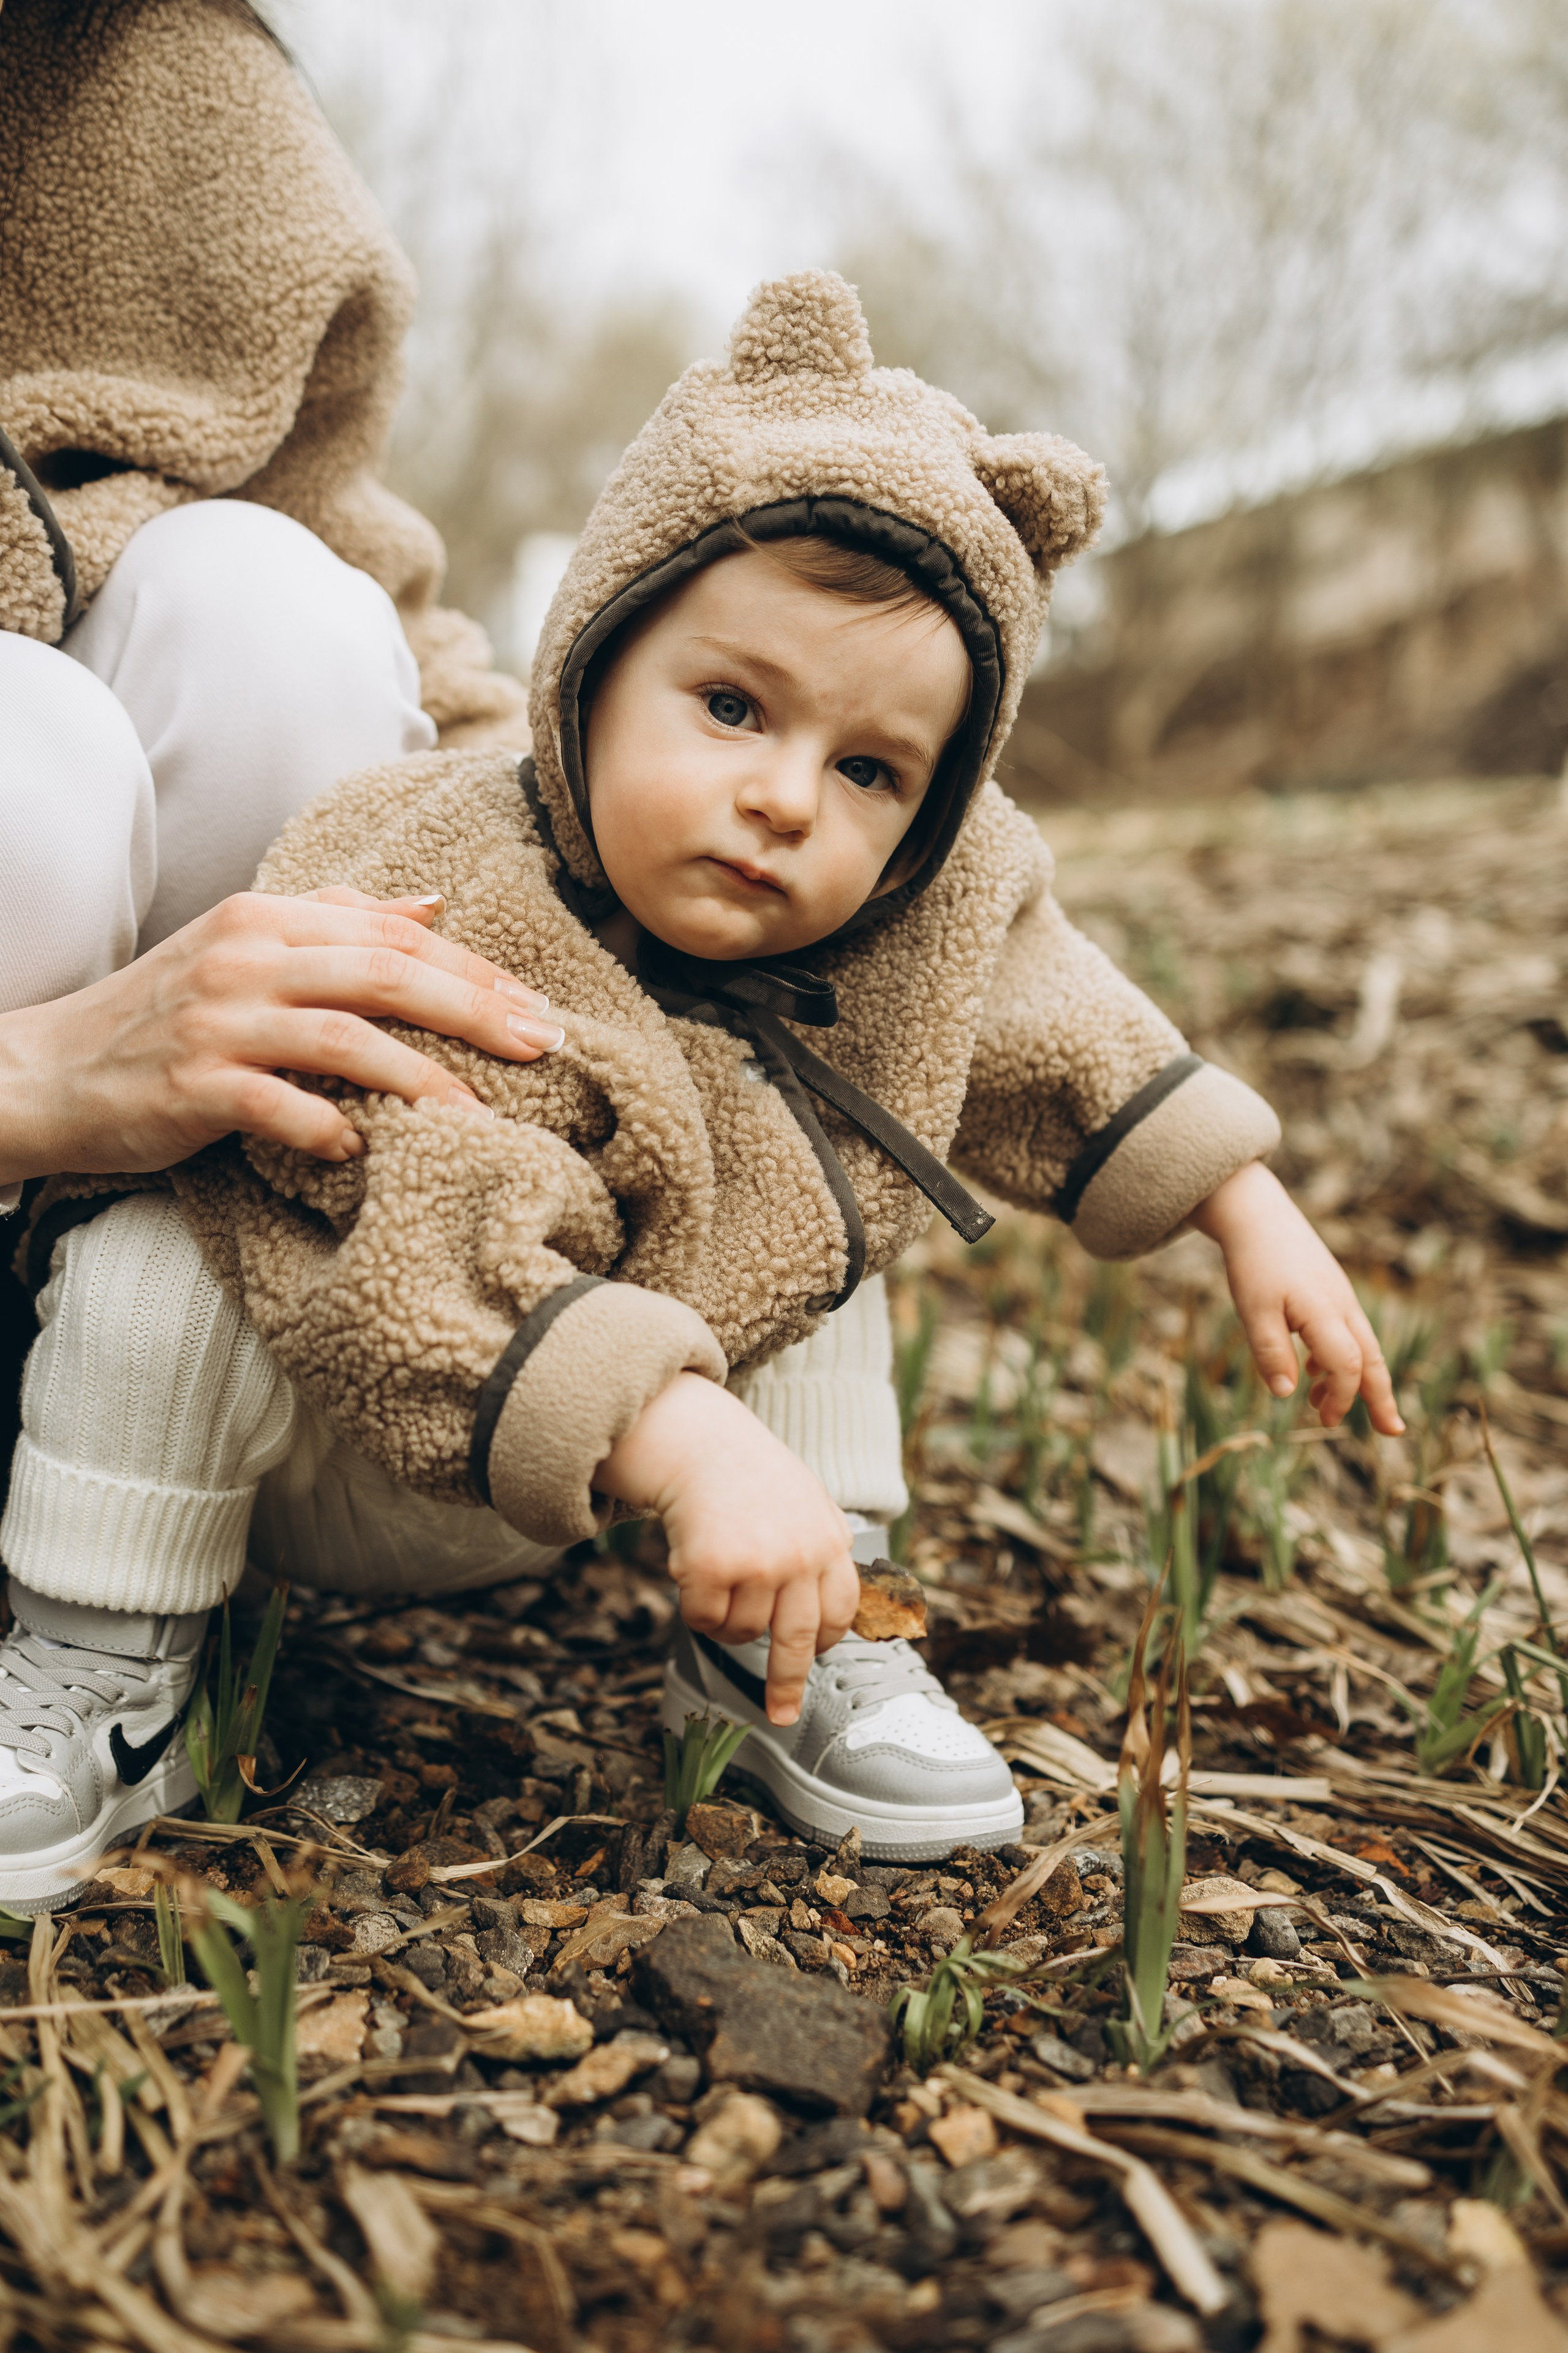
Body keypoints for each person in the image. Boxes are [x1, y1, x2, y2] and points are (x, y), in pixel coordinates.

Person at [0, 273, 1402, 1909]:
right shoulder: (444, 870)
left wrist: (1245, 1202)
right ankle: (101, 1661)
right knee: (155, 1268)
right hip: (326, 1421)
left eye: (869, 769)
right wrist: (683, 1442)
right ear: (591, 663)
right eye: (730, 707)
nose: (785, 800)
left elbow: (1051, 1000)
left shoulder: (906, 916)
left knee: (819, 1199)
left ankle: (799, 1643)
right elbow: (416, 1228)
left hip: (592, 1450)